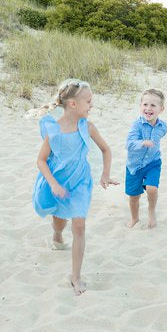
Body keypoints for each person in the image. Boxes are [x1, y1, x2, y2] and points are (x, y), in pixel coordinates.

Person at [32, 79, 116, 295]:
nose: (92, 105)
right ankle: (57, 235)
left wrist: (105, 174)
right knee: (59, 223)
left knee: (79, 226)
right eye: (88, 101)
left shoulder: (88, 127)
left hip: (80, 184)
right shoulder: (53, 130)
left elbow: (106, 150)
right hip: (58, 183)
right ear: (73, 105)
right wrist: (53, 184)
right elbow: (41, 160)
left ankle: (75, 277)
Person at [125, 89, 167, 229]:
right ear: (140, 106)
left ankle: (151, 211)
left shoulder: (163, 127)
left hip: (153, 163)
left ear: (161, 109)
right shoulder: (137, 125)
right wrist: (142, 142)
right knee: (134, 196)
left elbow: (162, 133)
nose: (148, 108)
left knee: (152, 188)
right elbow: (129, 144)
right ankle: (134, 218)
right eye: (145, 104)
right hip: (134, 166)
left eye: (153, 105)